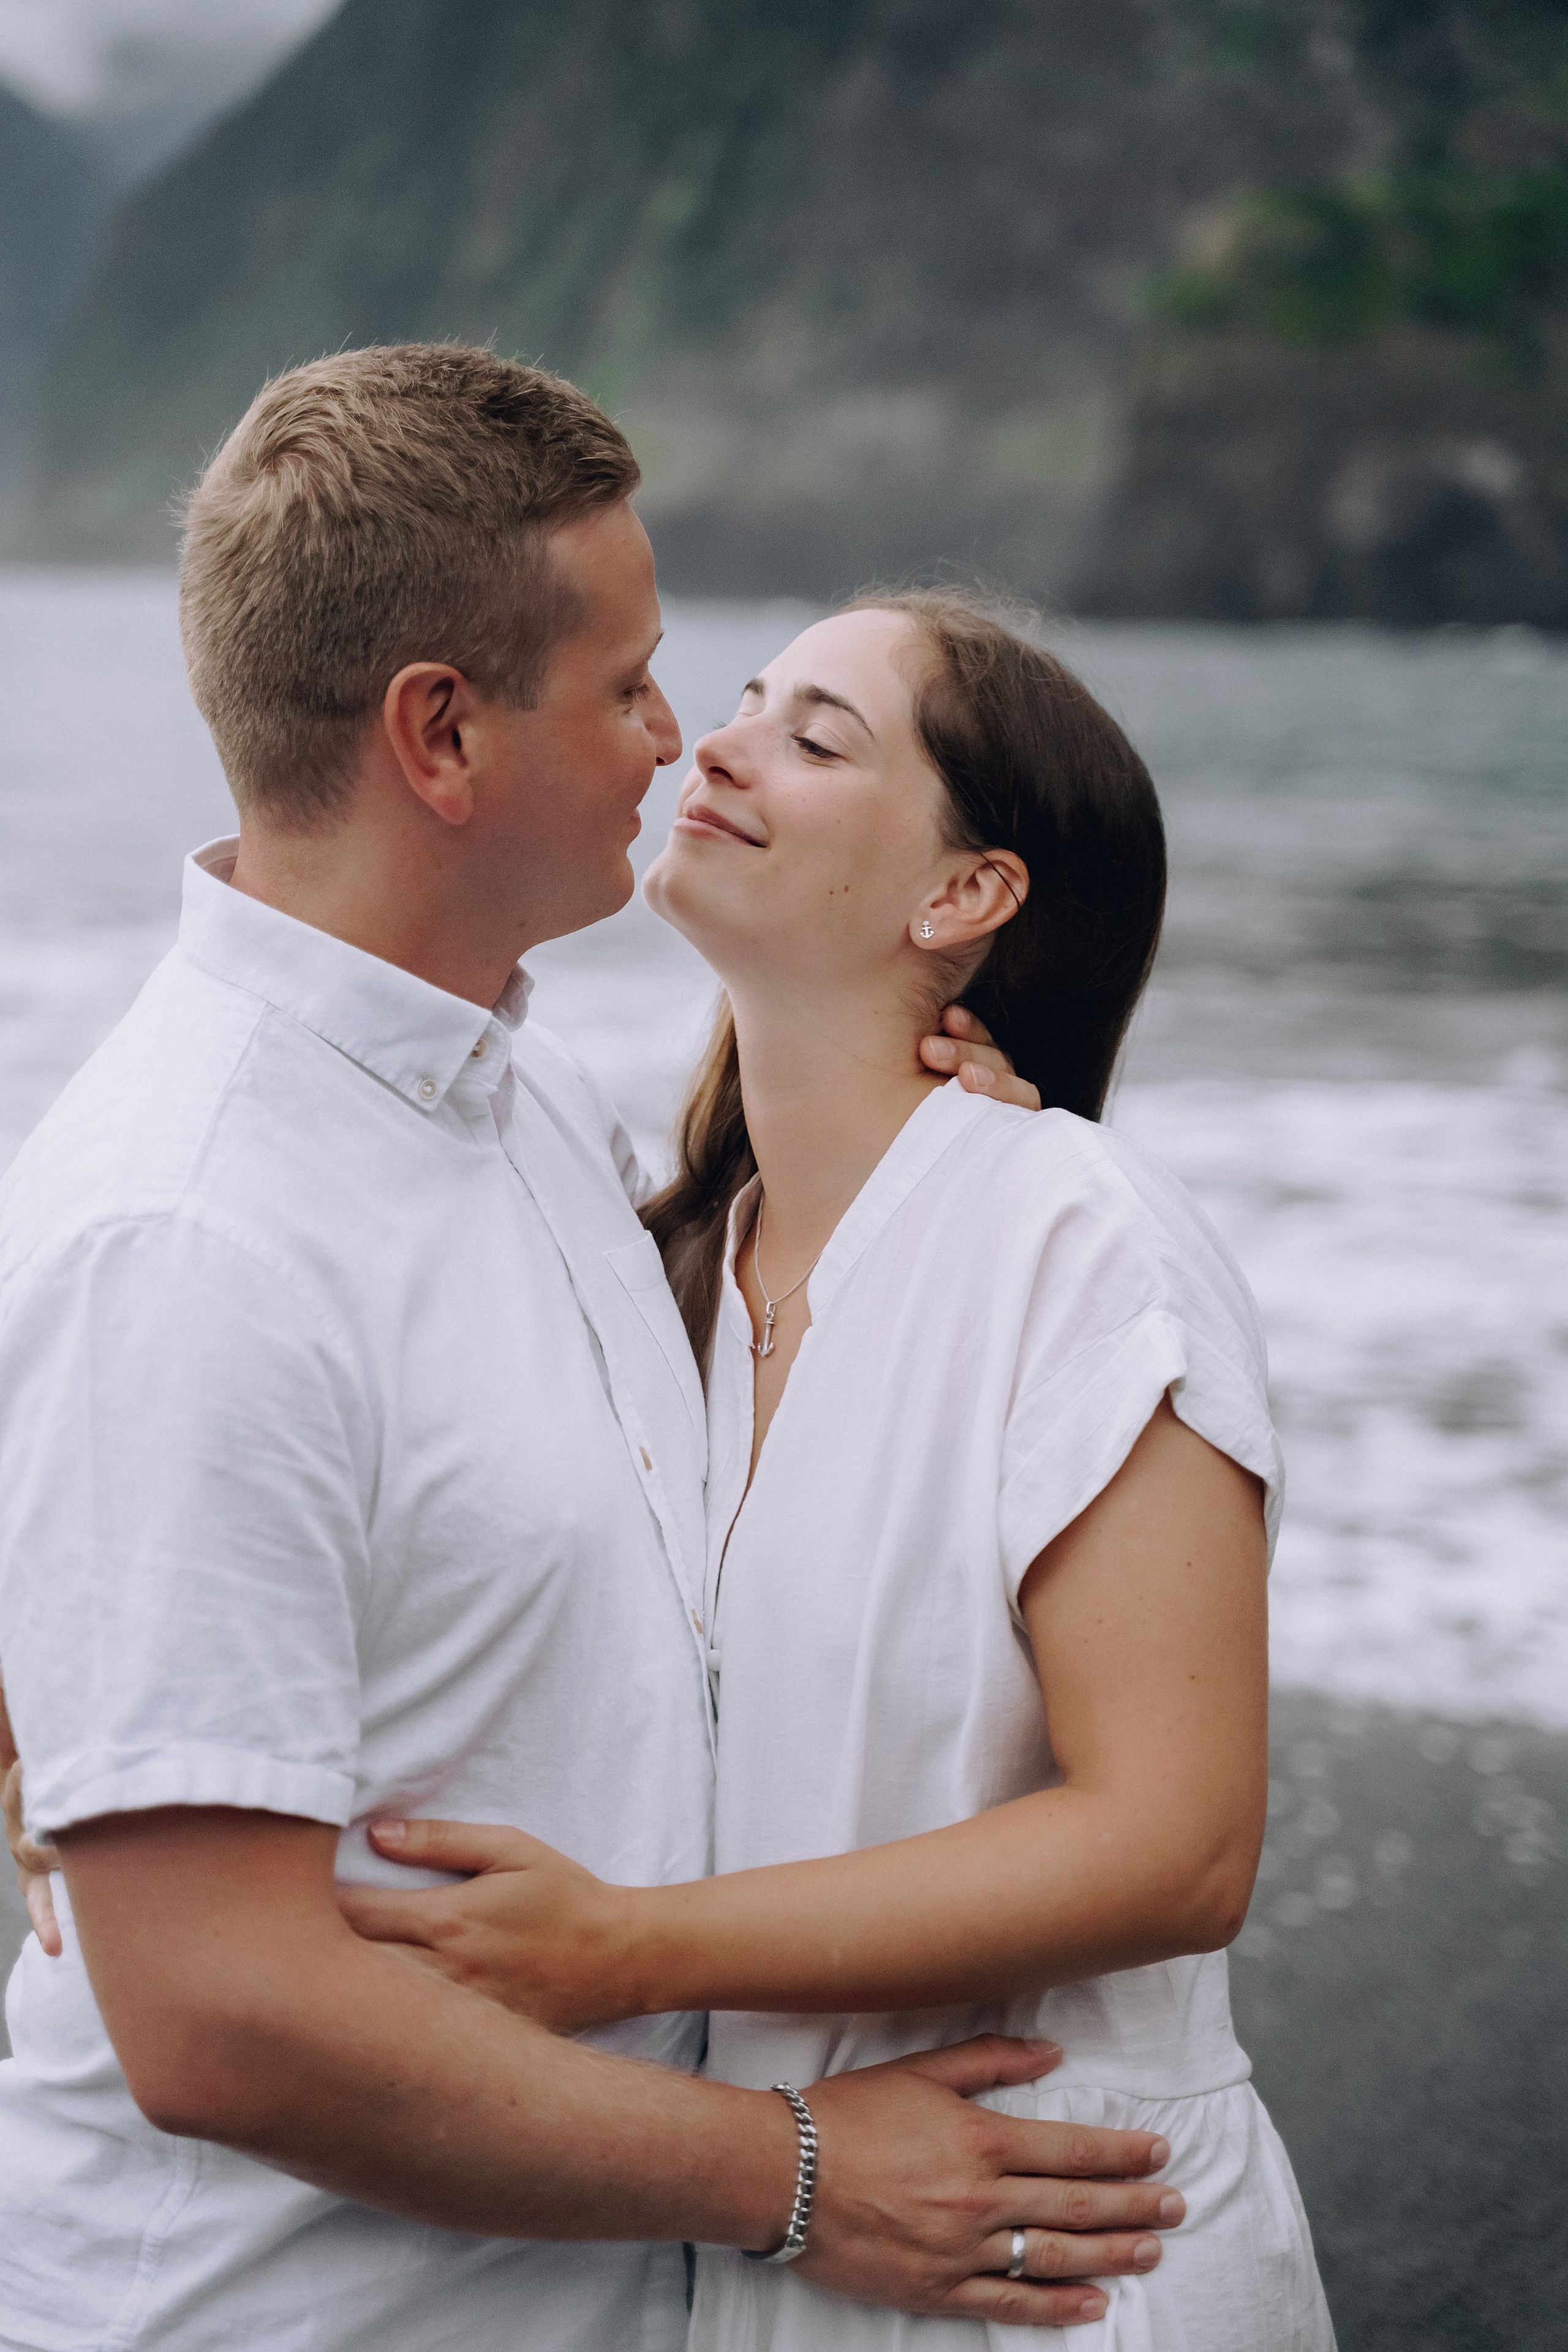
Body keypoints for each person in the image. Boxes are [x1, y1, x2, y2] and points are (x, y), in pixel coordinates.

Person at [0, 349, 1185, 2352]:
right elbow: (214, 2021)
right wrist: (800, 2174)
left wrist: (942, 1157)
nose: (675, 741)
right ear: (440, 737)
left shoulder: (525, 1104)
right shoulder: (191, 1230)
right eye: (635, 683)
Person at [315, 592, 1339, 2348]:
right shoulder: (653, 1277)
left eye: (816, 736)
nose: (713, 747)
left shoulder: (1079, 1242)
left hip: (1060, 2230)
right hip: (768, 2231)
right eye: (743, 703)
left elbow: (1179, 1843)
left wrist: (632, 1949)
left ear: (965, 896)